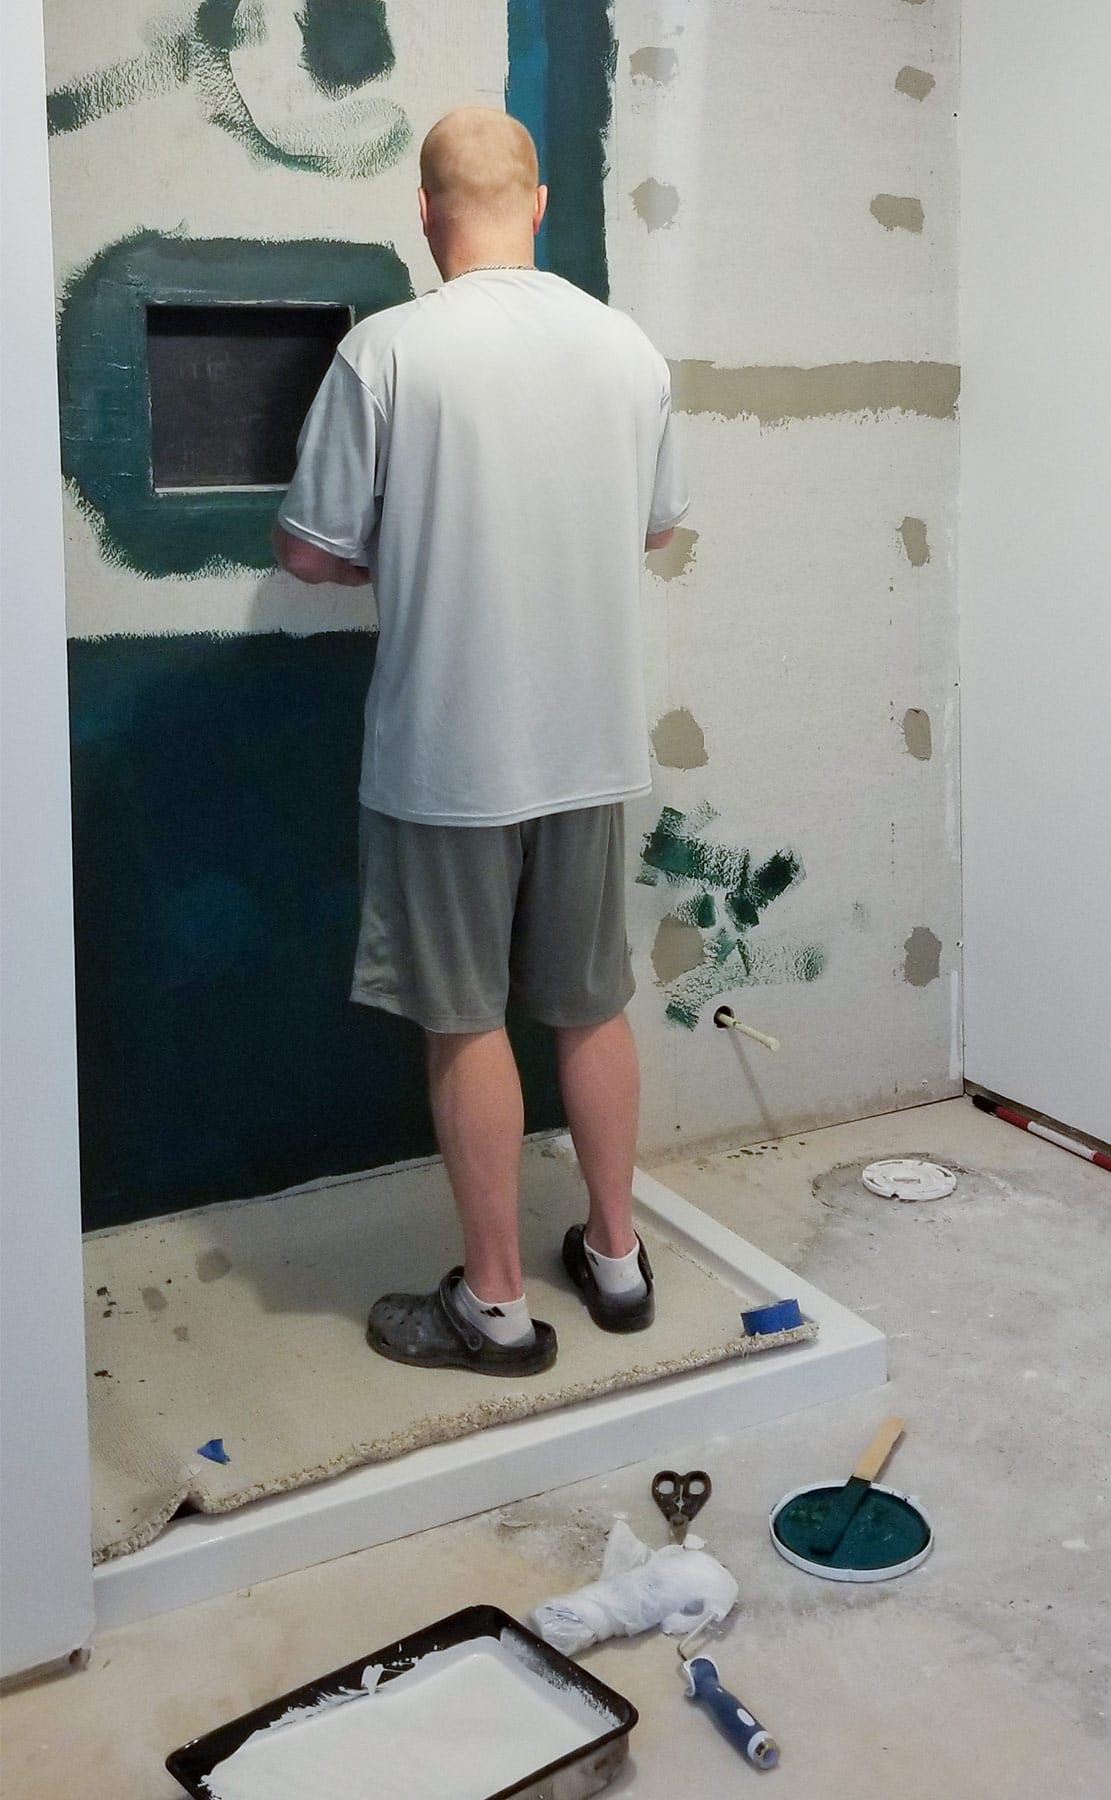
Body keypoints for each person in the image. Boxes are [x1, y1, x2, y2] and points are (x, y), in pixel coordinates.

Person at [273, 107, 688, 1378]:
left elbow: (308, 549)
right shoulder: (628, 351)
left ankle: (497, 1307)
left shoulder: (388, 353)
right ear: (543, 203)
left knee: (465, 1021)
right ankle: (616, 1260)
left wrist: (413, 540)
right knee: (592, 1003)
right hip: (594, 743)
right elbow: (657, 529)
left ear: (423, 207)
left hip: (450, 750)